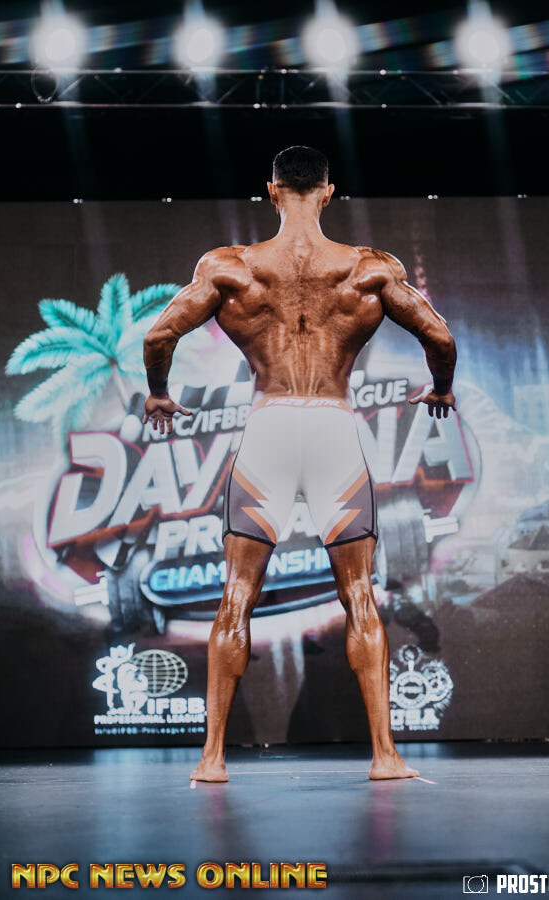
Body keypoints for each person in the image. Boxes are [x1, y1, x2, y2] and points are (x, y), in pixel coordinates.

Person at [142, 146, 457, 784]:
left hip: (269, 429)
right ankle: (385, 756)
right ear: (329, 192)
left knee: (237, 595)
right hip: (335, 429)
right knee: (359, 596)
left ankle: (212, 760)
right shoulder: (369, 268)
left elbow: (158, 336)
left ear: (272, 190)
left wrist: (158, 393)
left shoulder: (231, 267)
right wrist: (442, 388)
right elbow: (441, 338)